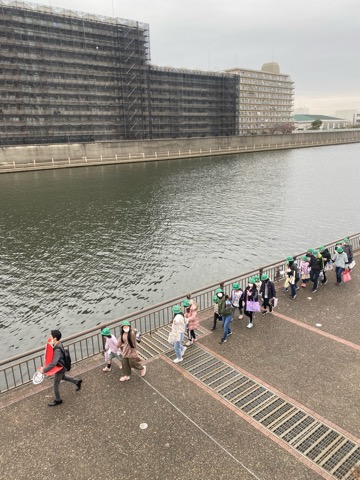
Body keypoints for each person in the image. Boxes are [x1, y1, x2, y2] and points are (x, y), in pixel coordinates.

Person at [39, 329, 82, 407]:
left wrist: (44, 370)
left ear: (55, 338)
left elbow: (54, 363)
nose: (49, 337)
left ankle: (58, 400)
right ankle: (77, 381)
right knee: (63, 377)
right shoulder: (58, 343)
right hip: (62, 366)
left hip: (60, 368)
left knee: (55, 385)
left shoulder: (57, 349)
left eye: (51, 336)